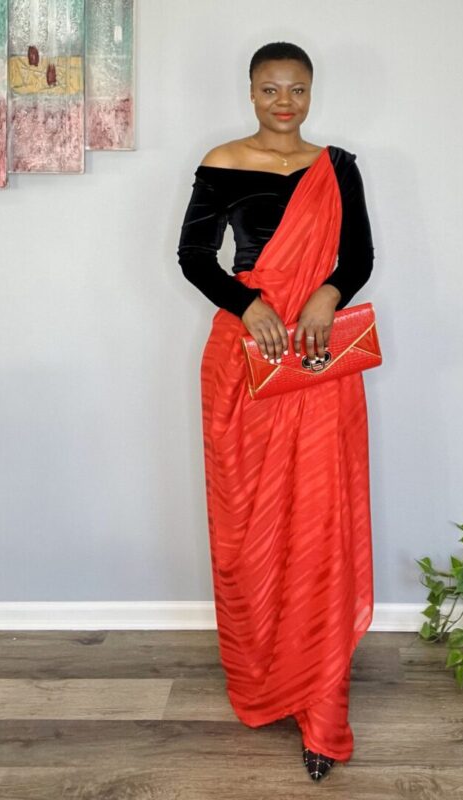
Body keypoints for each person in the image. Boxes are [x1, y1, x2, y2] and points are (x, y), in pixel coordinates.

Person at [177, 41, 376, 781]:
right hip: (246, 359)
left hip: (320, 363)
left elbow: (356, 257)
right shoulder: (221, 161)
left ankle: (324, 709)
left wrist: (327, 295)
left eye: (296, 89)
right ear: (251, 93)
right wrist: (250, 301)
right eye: (270, 90)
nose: (284, 102)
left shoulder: (339, 168)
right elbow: (195, 256)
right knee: (251, 525)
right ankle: (268, 673)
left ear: (312, 92)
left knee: (321, 527)